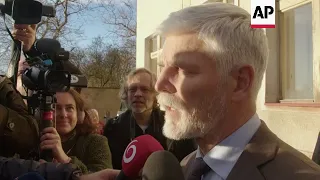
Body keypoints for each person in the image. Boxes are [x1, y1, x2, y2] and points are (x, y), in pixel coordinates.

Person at [154, 2, 320, 180]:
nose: (159, 85)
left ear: (240, 82)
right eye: (162, 67)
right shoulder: (185, 167)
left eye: (182, 69)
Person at [104, 68, 197, 169]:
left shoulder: (174, 123)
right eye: (132, 89)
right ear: (126, 95)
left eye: (145, 90)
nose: (138, 94)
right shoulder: (113, 128)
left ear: (155, 95)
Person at [39, 89, 113, 173]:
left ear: (79, 114)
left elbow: (103, 176)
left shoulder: (96, 142)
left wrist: (65, 159)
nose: (63, 114)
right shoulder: (35, 140)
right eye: (56, 108)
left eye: (69, 108)